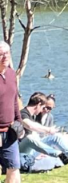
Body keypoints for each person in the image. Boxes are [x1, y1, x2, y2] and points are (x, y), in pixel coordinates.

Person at [18, 92, 68, 172]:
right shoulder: (23, 113)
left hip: (33, 149)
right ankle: (58, 154)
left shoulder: (32, 115)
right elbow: (30, 126)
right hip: (21, 150)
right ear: (38, 105)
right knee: (30, 138)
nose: (42, 110)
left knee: (56, 137)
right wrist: (48, 130)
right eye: (43, 107)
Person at [0, 42, 22, 183]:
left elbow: (14, 100)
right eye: (1, 54)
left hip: (10, 131)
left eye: (7, 53)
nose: (5, 57)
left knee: (14, 168)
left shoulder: (11, 74)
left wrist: (19, 122)